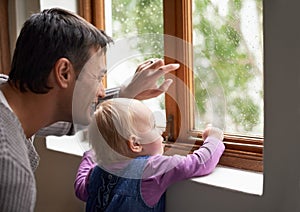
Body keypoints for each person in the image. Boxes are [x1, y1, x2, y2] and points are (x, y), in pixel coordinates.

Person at [0, 8, 179, 211]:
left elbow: (70, 121)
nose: (102, 92)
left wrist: (124, 94)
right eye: (97, 78)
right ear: (64, 72)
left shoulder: (13, 99)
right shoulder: (10, 168)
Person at [74, 98, 225, 211]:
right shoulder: (152, 168)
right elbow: (199, 163)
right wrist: (213, 139)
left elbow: (79, 186)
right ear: (136, 144)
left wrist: (94, 152)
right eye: (153, 126)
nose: (160, 130)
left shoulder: (96, 172)